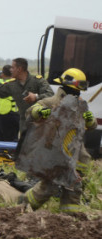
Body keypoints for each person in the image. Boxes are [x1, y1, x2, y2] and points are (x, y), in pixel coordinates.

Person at [19, 68, 96, 212]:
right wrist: (39, 112)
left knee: (73, 187)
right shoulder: (50, 103)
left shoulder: (80, 106)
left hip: (75, 157)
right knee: (49, 187)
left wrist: (90, 121)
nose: (77, 94)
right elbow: (30, 113)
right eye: (75, 91)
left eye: (78, 92)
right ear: (66, 88)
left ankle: (67, 219)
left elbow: (91, 126)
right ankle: (25, 205)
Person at [0, 65, 19, 142]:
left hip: (7, 115)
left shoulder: (2, 85)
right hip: (14, 115)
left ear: (2, 74)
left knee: (1, 139)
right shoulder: (17, 83)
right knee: (11, 138)